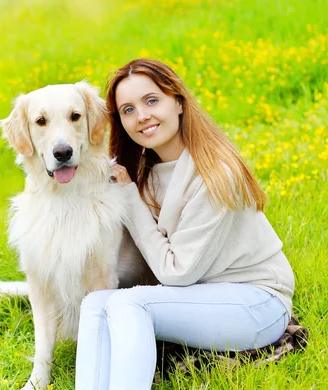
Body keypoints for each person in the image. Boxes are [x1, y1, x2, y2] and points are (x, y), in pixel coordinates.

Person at [74, 58, 295, 390]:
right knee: (95, 302)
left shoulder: (214, 172)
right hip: (204, 299)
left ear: (177, 101)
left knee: (128, 301)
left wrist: (130, 199)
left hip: (257, 303)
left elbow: (176, 273)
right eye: (128, 110)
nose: (142, 116)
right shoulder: (146, 172)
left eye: (152, 101)